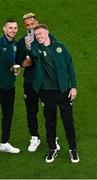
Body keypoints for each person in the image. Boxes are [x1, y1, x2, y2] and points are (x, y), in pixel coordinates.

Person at [25, 24, 80, 163]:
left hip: (63, 92)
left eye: (40, 33)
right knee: (50, 122)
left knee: (68, 121)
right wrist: (29, 46)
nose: (38, 36)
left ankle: (73, 150)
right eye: (36, 35)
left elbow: (70, 67)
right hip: (46, 92)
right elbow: (33, 53)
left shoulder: (60, 46)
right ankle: (52, 149)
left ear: (47, 32)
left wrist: (73, 86)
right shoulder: (37, 48)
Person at [16, 13, 60, 152]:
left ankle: (52, 138)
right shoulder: (22, 41)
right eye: (27, 25)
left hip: (46, 82)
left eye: (32, 24)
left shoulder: (47, 37)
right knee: (31, 111)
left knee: (49, 111)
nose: (30, 27)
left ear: (37, 23)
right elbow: (19, 62)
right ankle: (34, 137)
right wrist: (25, 63)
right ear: (25, 26)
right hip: (30, 82)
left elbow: (56, 56)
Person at [0, 19, 20, 163]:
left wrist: (15, 70)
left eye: (15, 28)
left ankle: (4, 143)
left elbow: (13, 64)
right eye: (10, 28)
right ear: (4, 29)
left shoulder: (15, 45)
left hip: (10, 88)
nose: (13, 30)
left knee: (8, 116)